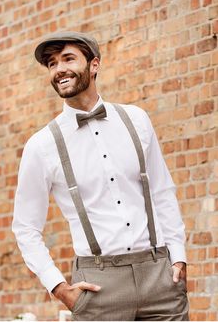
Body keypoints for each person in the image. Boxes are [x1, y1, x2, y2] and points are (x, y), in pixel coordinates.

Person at [12, 31, 189, 321]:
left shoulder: (136, 119)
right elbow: (26, 227)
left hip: (160, 278)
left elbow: (161, 191)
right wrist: (58, 287)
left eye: (68, 59)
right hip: (98, 285)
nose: (59, 70)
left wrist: (179, 256)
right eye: (52, 64)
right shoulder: (41, 146)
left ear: (94, 64)